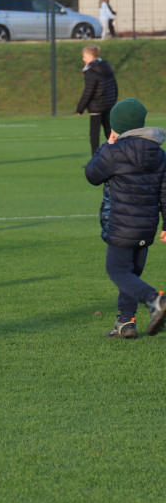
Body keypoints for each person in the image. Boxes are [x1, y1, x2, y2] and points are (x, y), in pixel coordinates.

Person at [84, 98, 166, 338]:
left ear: (115, 126)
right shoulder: (159, 154)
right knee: (132, 274)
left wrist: (105, 147)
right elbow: (165, 191)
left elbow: (92, 175)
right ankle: (125, 323)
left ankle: (155, 301)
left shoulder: (114, 152)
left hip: (121, 225)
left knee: (118, 271)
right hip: (146, 226)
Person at [75, 44, 118, 155]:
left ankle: (96, 160)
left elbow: (88, 92)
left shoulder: (92, 72)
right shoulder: (106, 68)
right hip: (109, 105)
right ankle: (117, 156)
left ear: (91, 57)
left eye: (84, 56)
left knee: (94, 134)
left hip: (96, 106)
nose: (83, 59)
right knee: (110, 132)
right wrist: (113, 101)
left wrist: (80, 108)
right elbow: (115, 86)